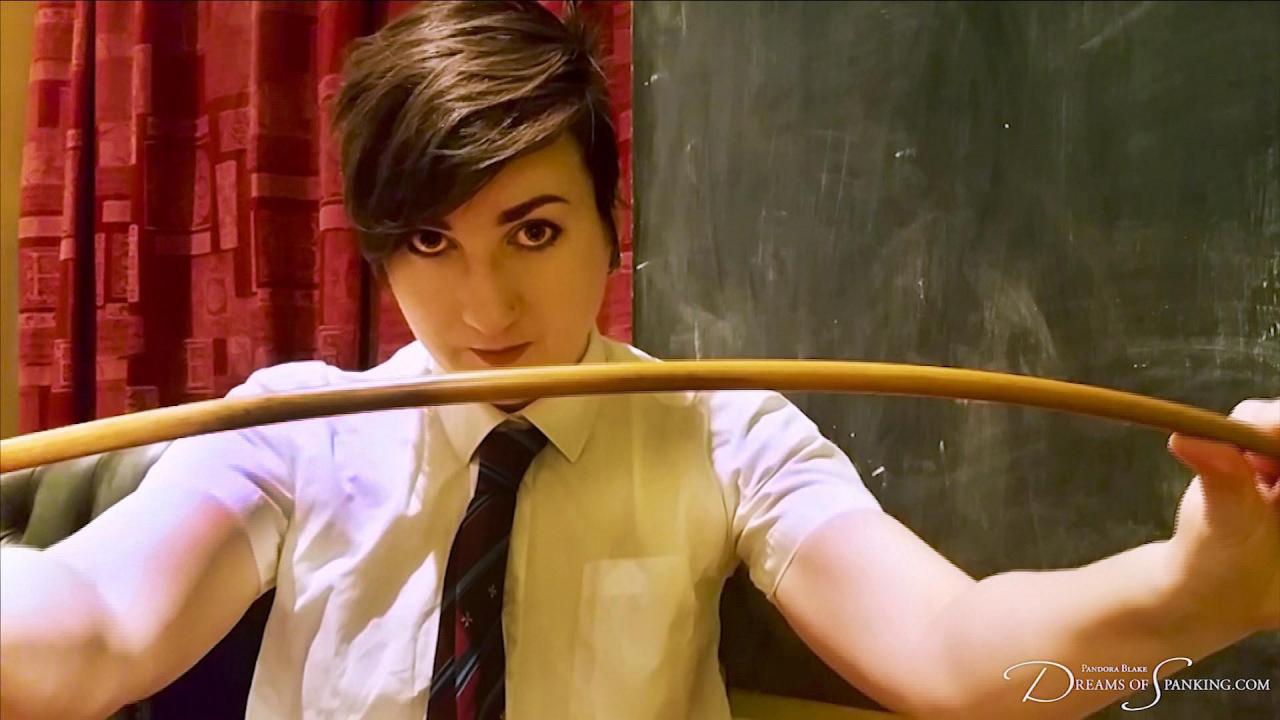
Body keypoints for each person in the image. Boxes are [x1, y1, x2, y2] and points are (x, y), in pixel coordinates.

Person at [1, 2, 1277, 719]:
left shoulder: (725, 432)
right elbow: (90, 630)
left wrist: (1192, 597)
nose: (484, 303)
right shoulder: (289, 431)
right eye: (430, 242)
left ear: (611, 228)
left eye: (533, 232)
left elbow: (949, 654)